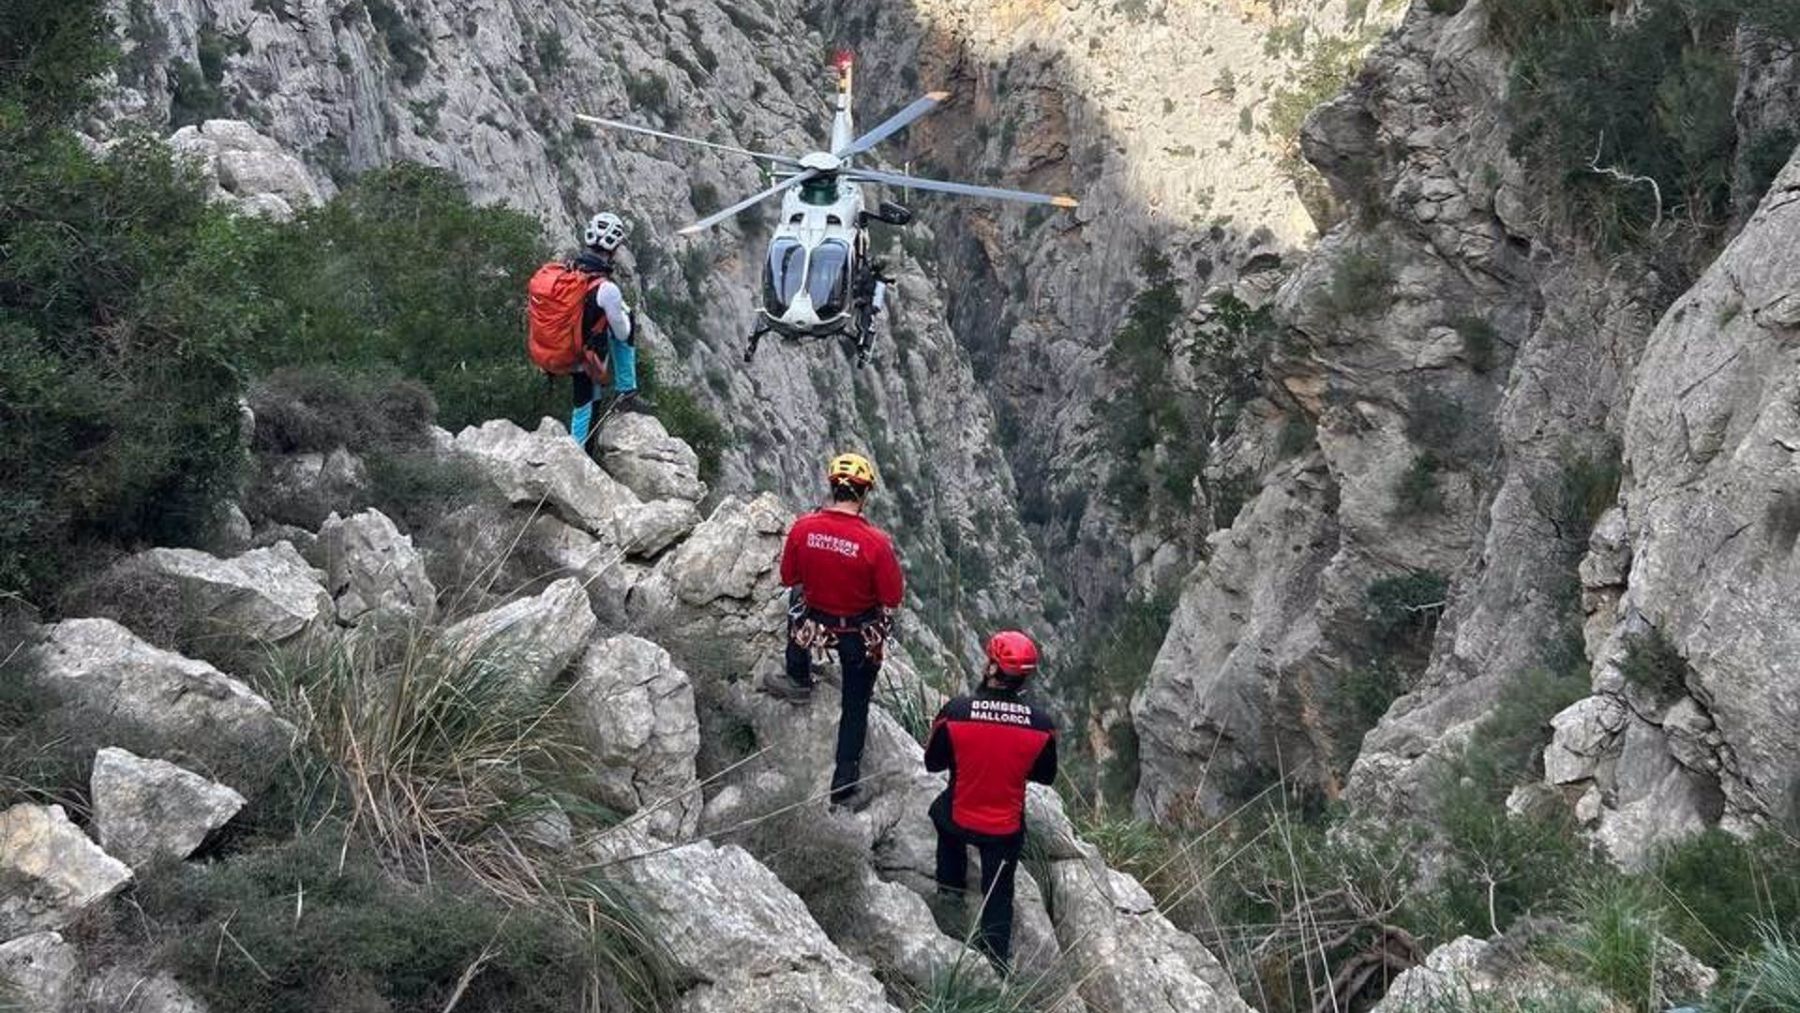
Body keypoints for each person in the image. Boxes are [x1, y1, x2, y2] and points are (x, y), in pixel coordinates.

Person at [765, 452, 904, 807]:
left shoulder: (803, 527)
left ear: (831, 487)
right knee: (855, 705)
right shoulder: (876, 543)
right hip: (858, 634)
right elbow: (892, 596)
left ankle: (797, 676)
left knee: (797, 601)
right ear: (864, 494)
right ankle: (844, 785)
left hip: (816, 626)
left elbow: (788, 577)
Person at [924, 631, 1058, 972]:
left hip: (960, 814)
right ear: (1024, 678)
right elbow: (1045, 775)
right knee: (999, 894)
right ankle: (996, 963)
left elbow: (933, 763)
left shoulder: (957, 712)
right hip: (1004, 828)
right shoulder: (1041, 726)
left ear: (992, 669)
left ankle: (950, 895)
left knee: (942, 816)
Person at [569, 211, 651, 448]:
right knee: (584, 408)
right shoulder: (607, 289)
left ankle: (584, 452)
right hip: (588, 355)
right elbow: (623, 334)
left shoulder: (570, 272)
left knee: (587, 402)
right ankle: (627, 390)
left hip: (567, 348)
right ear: (613, 249)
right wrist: (624, 317)